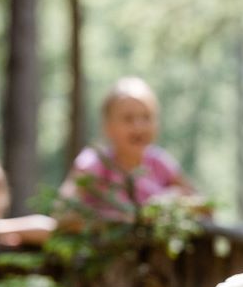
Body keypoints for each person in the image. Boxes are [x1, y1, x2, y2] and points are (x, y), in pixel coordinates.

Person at [59, 76, 197, 220]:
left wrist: (172, 198)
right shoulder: (95, 162)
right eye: (128, 119)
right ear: (108, 127)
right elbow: (64, 205)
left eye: (147, 117)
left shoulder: (159, 162)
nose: (139, 127)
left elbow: (197, 201)